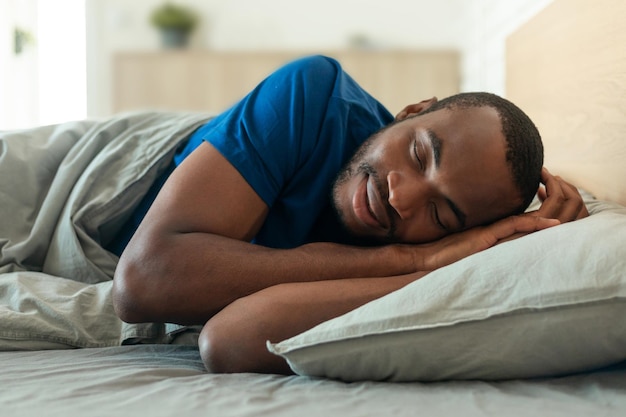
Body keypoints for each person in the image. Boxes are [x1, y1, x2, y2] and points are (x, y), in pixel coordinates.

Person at [110, 55, 588, 374]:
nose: (401, 197)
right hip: (99, 181)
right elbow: (142, 283)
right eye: (419, 154)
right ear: (411, 111)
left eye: (441, 215)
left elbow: (232, 338)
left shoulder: (434, 252)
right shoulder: (312, 94)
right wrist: (406, 261)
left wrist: (437, 267)